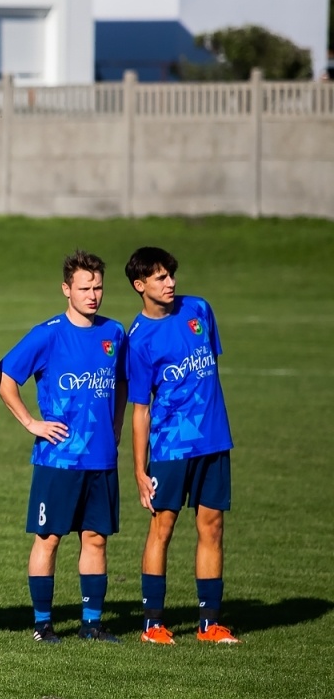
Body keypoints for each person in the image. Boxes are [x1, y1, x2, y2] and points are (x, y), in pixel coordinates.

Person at [0, 251, 126, 643]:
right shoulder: (48, 334)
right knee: (49, 538)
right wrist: (31, 422)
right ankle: (42, 624)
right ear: (66, 289)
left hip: (101, 457)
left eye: (98, 287)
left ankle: (91, 623)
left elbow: (121, 384)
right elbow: (6, 377)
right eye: (84, 288)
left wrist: (116, 427)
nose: (93, 295)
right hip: (58, 459)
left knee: (95, 538)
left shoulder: (114, 333)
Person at [124, 247, 237, 644]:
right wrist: (140, 469)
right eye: (159, 277)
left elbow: (211, 370)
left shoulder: (199, 309)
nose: (170, 282)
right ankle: (153, 625)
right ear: (140, 286)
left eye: (171, 274)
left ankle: (210, 624)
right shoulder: (137, 341)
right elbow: (139, 410)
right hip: (170, 449)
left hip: (214, 440)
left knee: (213, 526)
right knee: (163, 528)